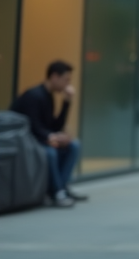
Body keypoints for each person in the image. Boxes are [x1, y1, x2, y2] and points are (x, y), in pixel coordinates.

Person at [10, 60, 87, 207]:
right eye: (66, 80)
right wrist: (51, 137)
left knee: (74, 145)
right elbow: (33, 126)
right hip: (25, 141)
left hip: (39, 137)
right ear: (54, 77)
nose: (67, 84)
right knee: (50, 152)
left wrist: (67, 103)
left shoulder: (49, 96)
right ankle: (57, 192)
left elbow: (54, 125)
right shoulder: (34, 95)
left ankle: (62, 188)